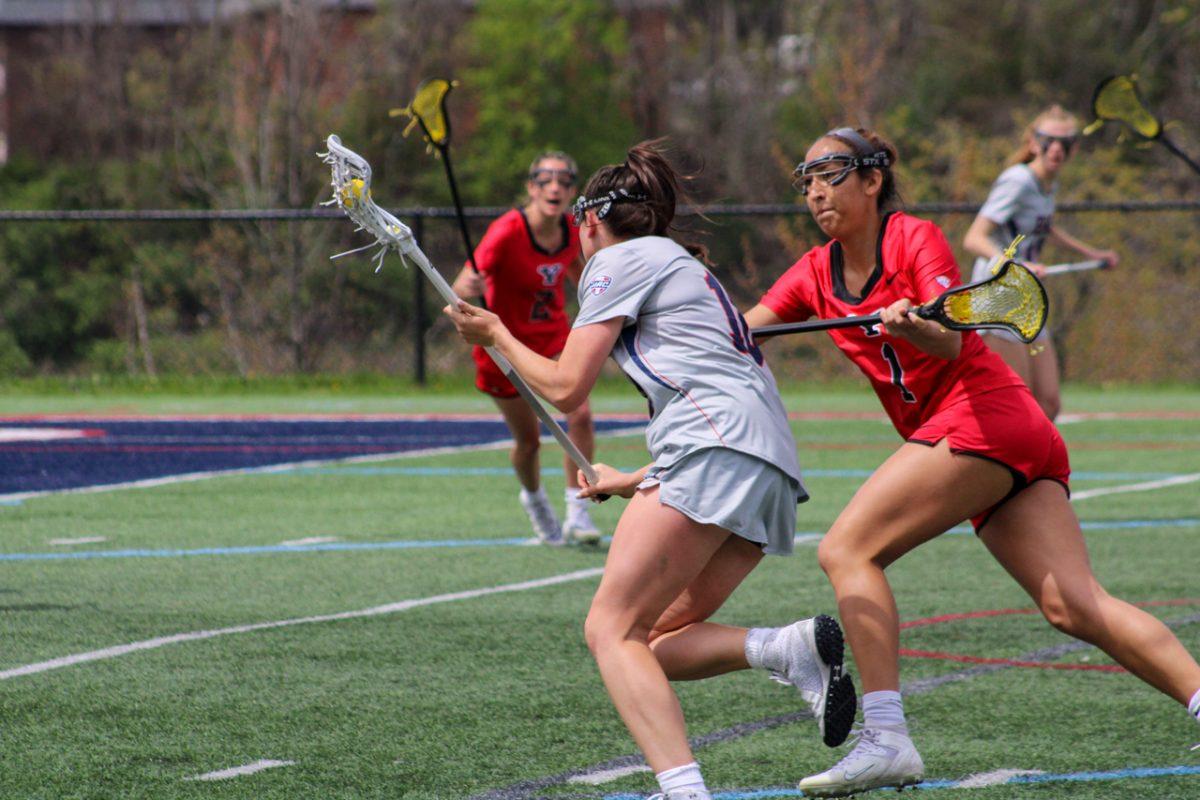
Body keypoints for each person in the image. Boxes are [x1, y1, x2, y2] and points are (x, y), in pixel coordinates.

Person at [744, 126, 1200, 797]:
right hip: (1003, 435)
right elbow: (743, 328)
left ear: (872, 180)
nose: (814, 189)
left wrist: (917, 326)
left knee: (847, 550)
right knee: (1075, 606)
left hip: (984, 414)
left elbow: (955, 344)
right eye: (805, 177)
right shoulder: (814, 272)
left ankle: (888, 738)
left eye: (830, 172)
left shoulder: (912, 238)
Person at [446, 141, 857, 800]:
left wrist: (496, 334)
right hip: (765, 462)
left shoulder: (617, 259)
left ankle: (682, 790)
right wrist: (631, 478)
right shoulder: (680, 265)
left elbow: (564, 386)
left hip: (715, 450)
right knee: (657, 639)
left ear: (588, 221)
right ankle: (786, 649)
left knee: (609, 629)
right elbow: (721, 403)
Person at [449, 151, 600, 545]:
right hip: (504, 347)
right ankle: (534, 500)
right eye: (546, 180)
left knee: (578, 414)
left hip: (552, 338)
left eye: (564, 181)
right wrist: (469, 289)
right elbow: (459, 289)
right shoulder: (506, 231)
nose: (555, 187)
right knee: (529, 442)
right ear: (531, 188)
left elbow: (580, 273)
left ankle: (579, 512)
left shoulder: (573, 228)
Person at [962, 105, 1119, 421]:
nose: (1056, 148)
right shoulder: (1017, 181)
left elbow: (1043, 226)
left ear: (1074, 148)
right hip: (997, 299)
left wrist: (1092, 253)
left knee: (1047, 405)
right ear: (1034, 143)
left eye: (1065, 142)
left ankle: (1026, 468)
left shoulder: (1048, 184)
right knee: (1018, 406)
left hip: (1027, 299)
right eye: (1048, 140)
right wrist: (1017, 266)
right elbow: (974, 238)